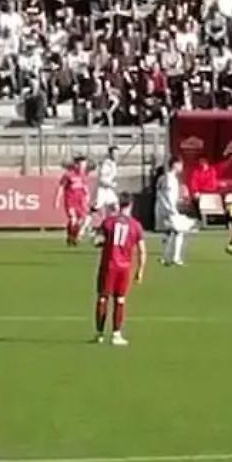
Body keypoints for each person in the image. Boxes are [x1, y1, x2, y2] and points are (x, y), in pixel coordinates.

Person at [94, 194, 146, 346]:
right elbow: (142, 250)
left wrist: (102, 243)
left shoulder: (108, 222)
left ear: (119, 204)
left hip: (108, 265)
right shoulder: (135, 225)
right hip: (124, 268)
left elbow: (96, 241)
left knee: (103, 298)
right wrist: (140, 271)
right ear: (130, 205)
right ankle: (116, 335)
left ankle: (99, 334)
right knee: (120, 300)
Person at [156, 156, 195, 267]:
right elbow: (168, 195)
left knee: (169, 232)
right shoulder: (170, 178)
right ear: (175, 165)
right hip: (169, 209)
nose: (182, 167)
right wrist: (172, 209)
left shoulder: (164, 178)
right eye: (181, 164)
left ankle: (164, 257)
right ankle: (175, 258)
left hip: (164, 208)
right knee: (179, 231)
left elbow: (161, 193)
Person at [56, 156, 91, 246]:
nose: (82, 167)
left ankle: (74, 236)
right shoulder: (68, 175)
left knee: (81, 221)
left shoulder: (84, 175)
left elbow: (85, 187)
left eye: (84, 165)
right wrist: (57, 199)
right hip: (70, 201)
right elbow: (61, 187)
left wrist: (87, 197)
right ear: (76, 165)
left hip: (80, 202)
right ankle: (71, 236)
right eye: (81, 165)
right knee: (73, 219)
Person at [89, 146, 121, 234]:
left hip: (108, 190)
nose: (116, 155)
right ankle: (86, 226)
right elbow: (102, 179)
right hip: (102, 190)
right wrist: (111, 184)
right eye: (114, 153)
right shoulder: (106, 164)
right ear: (110, 154)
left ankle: (108, 227)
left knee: (115, 207)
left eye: (118, 153)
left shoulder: (113, 164)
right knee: (96, 208)